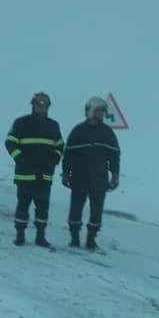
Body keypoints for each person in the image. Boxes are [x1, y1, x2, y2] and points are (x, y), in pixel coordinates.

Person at [5, 92, 64, 247]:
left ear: (48, 108)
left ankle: (40, 236)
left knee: (43, 208)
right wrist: (20, 159)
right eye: (38, 105)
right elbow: (10, 143)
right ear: (33, 105)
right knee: (23, 206)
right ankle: (20, 235)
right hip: (25, 175)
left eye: (43, 106)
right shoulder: (20, 123)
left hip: (45, 176)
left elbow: (59, 146)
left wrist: (54, 160)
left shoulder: (53, 126)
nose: (40, 108)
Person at [62, 96, 120, 250]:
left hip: (99, 179)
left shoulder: (107, 133)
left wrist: (115, 174)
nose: (100, 114)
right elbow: (68, 154)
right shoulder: (78, 131)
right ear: (89, 111)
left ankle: (91, 239)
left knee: (97, 210)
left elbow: (114, 156)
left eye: (102, 111)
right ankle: (74, 237)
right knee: (75, 208)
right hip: (79, 177)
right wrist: (65, 173)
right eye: (97, 111)